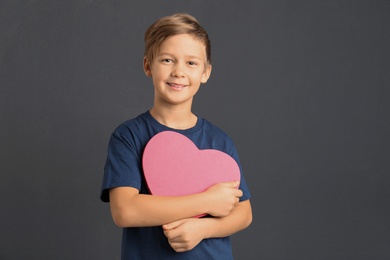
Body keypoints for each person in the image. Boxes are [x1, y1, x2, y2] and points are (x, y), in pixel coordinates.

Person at [100, 13, 252, 259]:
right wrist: (206, 202)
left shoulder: (219, 141)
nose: (179, 71)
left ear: (206, 72)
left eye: (191, 63)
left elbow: (244, 212)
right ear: (148, 65)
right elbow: (125, 210)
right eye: (168, 60)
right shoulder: (128, 136)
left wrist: (204, 228)